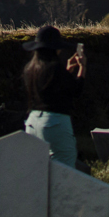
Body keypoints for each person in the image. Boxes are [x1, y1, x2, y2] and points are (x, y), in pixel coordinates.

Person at [21, 25, 88, 168]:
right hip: (55, 122)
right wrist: (82, 68)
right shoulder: (55, 68)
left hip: (32, 121)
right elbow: (76, 90)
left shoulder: (30, 68)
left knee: (38, 169)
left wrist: (67, 70)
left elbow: (51, 86)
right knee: (65, 169)